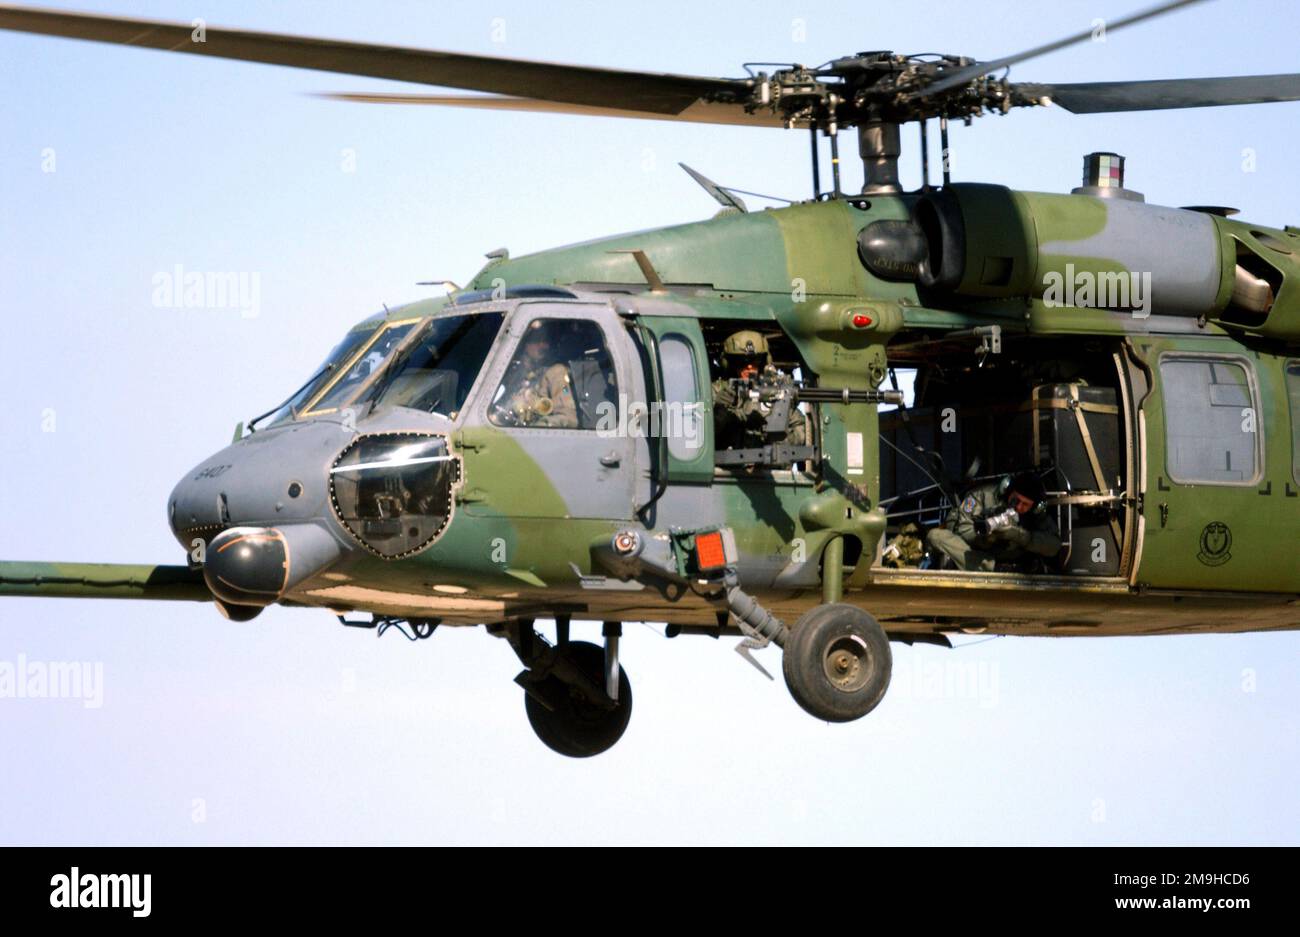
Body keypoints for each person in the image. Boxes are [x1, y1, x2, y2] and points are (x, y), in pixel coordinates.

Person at [925, 472, 1062, 572]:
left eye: (1025, 504)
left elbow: (1054, 546)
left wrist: (1020, 535)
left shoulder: (1035, 513)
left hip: (1014, 557)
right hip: (979, 555)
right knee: (936, 536)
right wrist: (987, 537)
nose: (1019, 507)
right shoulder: (982, 496)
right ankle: (994, 568)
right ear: (1007, 489)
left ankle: (1006, 567)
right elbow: (963, 530)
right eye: (1016, 500)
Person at [711, 330, 807, 451]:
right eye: (742, 361)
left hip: (767, 468)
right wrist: (720, 411)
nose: (749, 367)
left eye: (755, 360)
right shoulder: (717, 391)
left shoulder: (774, 390)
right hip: (724, 468)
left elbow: (801, 430)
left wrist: (780, 440)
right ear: (730, 363)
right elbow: (698, 435)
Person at [497, 321, 578, 428]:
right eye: (537, 340)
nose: (544, 346)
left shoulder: (556, 373)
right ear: (525, 344)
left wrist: (535, 428)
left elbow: (568, 418)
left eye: (546, 341)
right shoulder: (517, 373)